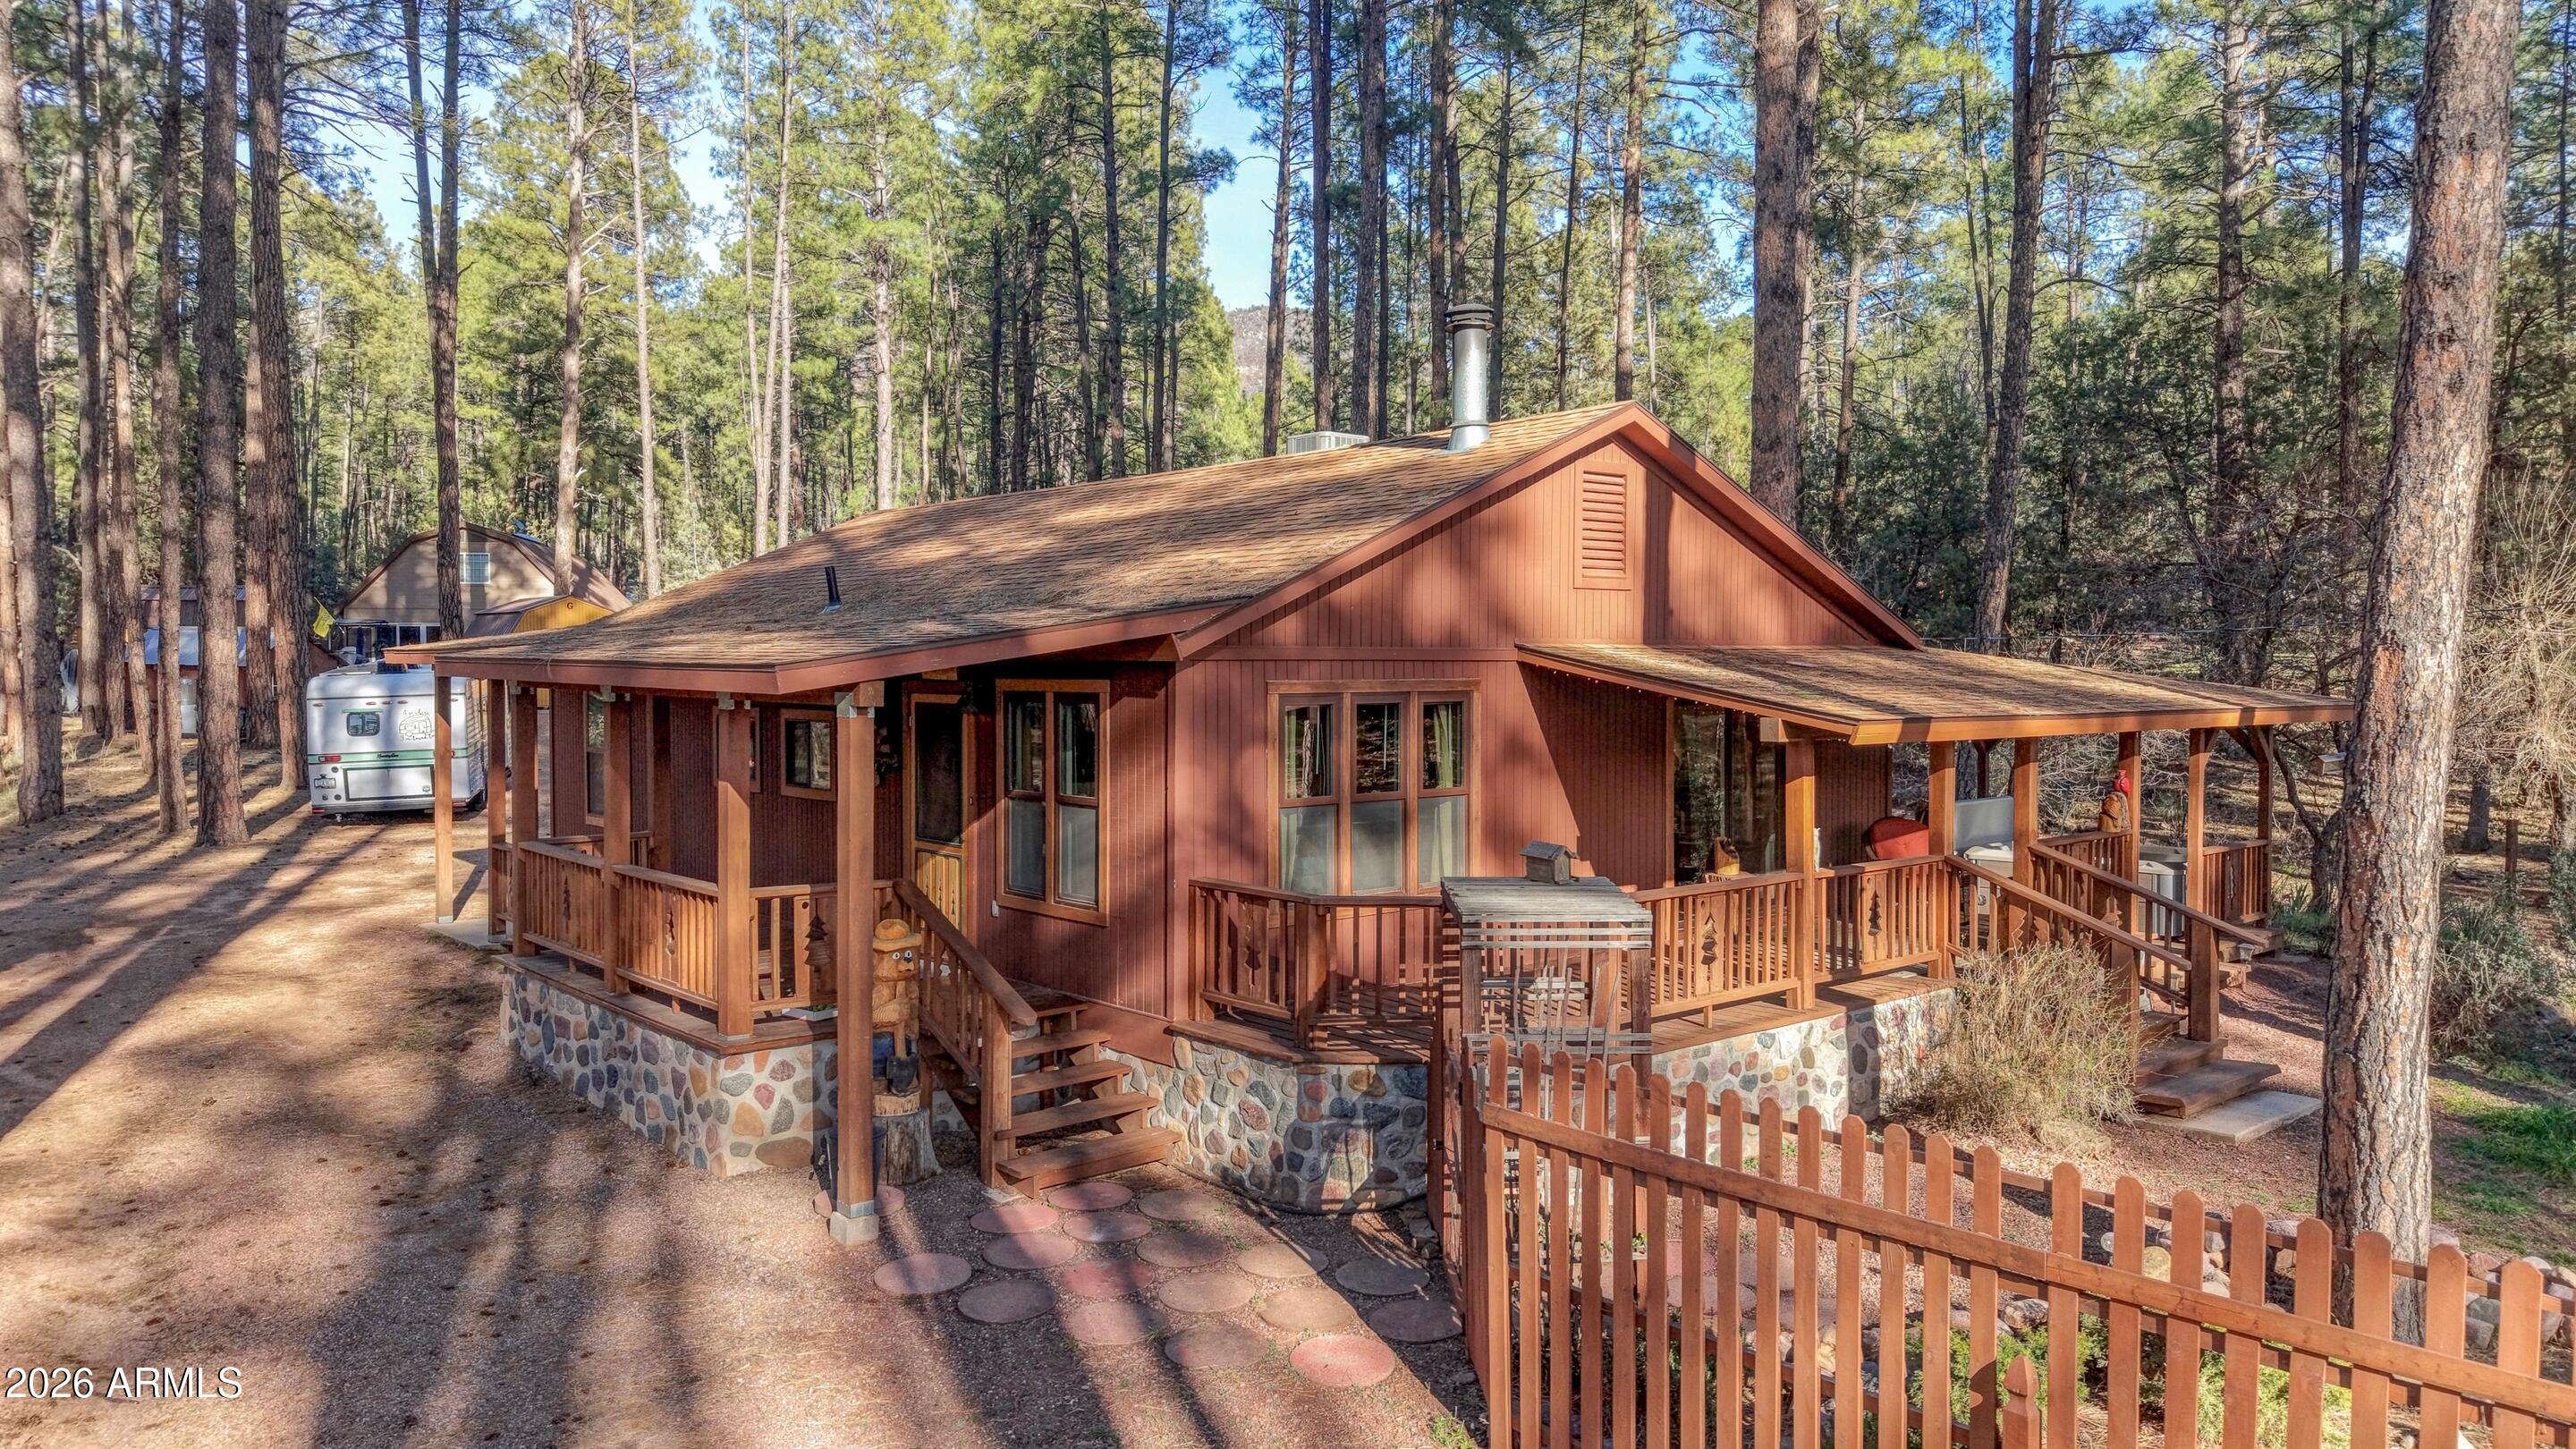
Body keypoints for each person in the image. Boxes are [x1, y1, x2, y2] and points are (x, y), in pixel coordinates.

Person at [2097, 769, 2133, 835]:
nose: (2120, 774)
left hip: (2122, 793)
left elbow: (2126, 789)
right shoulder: (2115, 780)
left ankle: (2124, 822)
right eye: (2119, 772)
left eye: (2121, 773)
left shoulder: (2124, 780)